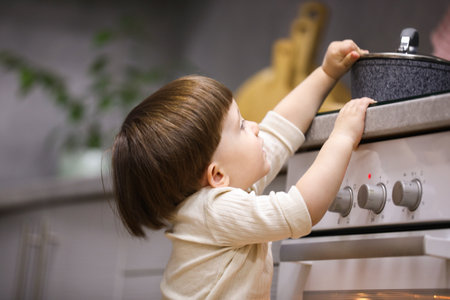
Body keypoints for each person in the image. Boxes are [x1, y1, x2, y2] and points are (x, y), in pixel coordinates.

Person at [111, 39, 375, 299]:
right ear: (216, 175)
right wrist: (342, 137)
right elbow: (302, 208)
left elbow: (280, 127)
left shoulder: (226, 188)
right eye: (241, 125)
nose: (255, 126)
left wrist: (326, 72)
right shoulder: (216, 210)